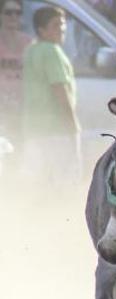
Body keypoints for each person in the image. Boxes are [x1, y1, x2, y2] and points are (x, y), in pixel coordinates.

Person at [22, 6, 81, 185]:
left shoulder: (31, 50)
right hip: (56, 130)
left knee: (36, 184)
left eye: (62, 24)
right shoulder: (52, 51)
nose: (62, 29)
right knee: (65, 182)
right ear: (42, 30)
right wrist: (73, 126)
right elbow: (60, 90)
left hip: (34, 129)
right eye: (55, 25)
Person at [0, 0, 31, 170]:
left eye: (18, 13)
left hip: (23, 111)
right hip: (2, 111)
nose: (13, 16)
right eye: (9, 12)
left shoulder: (29, 43)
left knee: (20, 154)